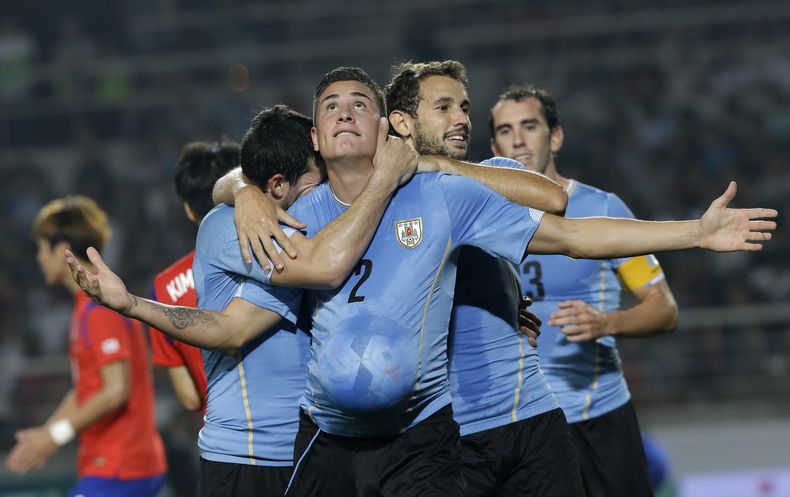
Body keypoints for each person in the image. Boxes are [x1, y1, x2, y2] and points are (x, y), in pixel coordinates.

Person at [70, 67, 776, 497]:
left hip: (423, 432)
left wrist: (693, 231)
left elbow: (569, 231)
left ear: (386, 126)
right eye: (329, 105)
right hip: (327, 438)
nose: (345, 112)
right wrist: (133, 302)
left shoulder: (442, 196)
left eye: (360, 102)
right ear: (315, 136)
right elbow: (232, 326)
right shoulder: (293, 222)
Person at [67, 103, 418, 497]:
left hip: (311, 450)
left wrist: (242, 188)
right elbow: (237, 326)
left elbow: (237, 328)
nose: (322, 195)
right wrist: (130, 304)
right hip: (246, 457)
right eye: (315, 184)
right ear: (279, 185)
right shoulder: (232, 226)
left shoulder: (301, 230)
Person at [385, 60, 584, 496]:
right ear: (402, 122)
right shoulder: (378, 201)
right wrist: (243, 193)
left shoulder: (489, 175)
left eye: (464, 107)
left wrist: (442, 167)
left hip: (531, 418)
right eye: (443, 107)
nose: (460, 118)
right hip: (445, 433)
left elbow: (554, 198)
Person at [489, 84, 681, 497]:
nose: (518, 139)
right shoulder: (479, 218)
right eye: (505, 130)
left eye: (529, 126)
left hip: (597, 419)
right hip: (519, 424)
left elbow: (664, 309)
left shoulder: (602, 209)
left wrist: (608, 323)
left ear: (555, 137)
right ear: (493, 147)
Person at [7, 196, 166, 497]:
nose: (39, 258)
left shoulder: (100, 309)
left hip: (120, 467)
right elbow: (88, 388)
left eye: (42, 248)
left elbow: (116, 390)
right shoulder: (89, 305)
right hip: (115, 466)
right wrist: (46, 434)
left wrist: (56, 435)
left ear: (61, 249)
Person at [149, 141, 240, 413]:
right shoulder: (274, 254)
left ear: (189, 210)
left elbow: (189, 397)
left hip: (223, 429)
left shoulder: (164, 288)